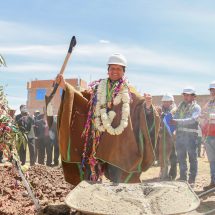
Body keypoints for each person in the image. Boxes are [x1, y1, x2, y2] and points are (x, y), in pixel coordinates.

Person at [53, 53, 160, 185]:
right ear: (108, 70)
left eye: (118, 69)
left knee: (118, 179)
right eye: (112, 68)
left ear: (123, 71)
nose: (115, 71)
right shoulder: (97, 87)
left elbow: (141, 108)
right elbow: (83, 99)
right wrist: (65, 86)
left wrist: (148, 107)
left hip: (118, 144)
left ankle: (118, 201)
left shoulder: (130, 92)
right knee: (89, 173)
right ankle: (89, 199)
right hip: (96, 140)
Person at [171, 87, 201, 187]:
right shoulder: (180, 106)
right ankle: (183, 178)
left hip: (191, 137)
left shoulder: (196, 107)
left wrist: (177, 121)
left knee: (192, 158)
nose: (186, 97)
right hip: (180, 136)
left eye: (188, 95)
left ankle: (192, 179)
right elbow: (175, 117)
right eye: (184, 94)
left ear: (193, 96)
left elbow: (192, 120)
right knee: (181, 157)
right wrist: (171, 121)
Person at [157, 93, 177, 180]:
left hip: (172, 135)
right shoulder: (160, 109)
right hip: (162, 135)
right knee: (162, 155)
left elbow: (173, 120)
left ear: (171, 102)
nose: (165, 103)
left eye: (167, 101)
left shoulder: (175, 110)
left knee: (173, 156)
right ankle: (163, 173)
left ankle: (172, 174)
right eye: (164, 101)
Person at [201, 81, 215, 190]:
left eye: (214, 90)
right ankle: (213, 182)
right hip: (209, 136)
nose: (213, 92)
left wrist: (210, 115)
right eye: (211, 90)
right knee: (212, 161)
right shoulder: (209, 103)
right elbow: (203, 117)